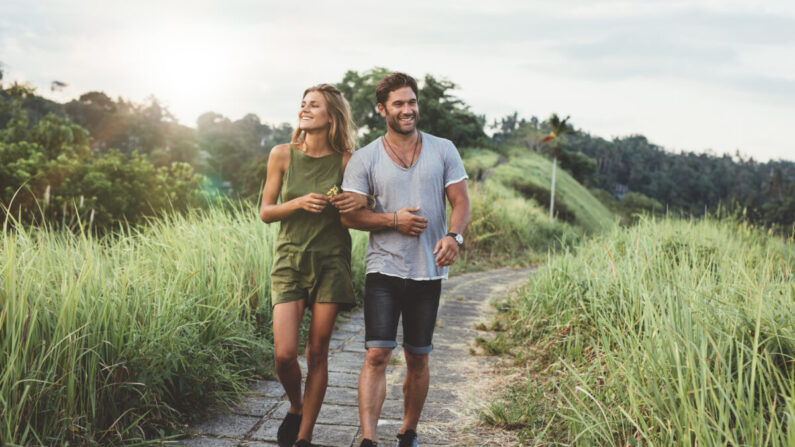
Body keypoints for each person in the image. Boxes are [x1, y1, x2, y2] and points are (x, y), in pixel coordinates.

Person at [340, 72, 471, 447]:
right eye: (398, 103)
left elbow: (460, 202)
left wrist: (453, 236)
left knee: (418, 357)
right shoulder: (365, 159)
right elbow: (349, 216)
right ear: (382, 109)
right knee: (377, 353)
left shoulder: (443, 149)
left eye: (411, 101)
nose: (407, 109)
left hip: (428, 271)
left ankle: (408, 432)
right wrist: (393, 220)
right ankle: (367, 439)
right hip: (383, 268)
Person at [259, 84, 368, 447]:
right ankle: (295, 405)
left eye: (314, 105)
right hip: (289, 261)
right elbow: (266, 212)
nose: (304, 110)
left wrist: (351, 206)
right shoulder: (282, 155)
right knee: (284, 354)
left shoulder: (348, 161)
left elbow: (359, 210)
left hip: (331, 262)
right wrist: (299, 203)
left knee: (317, 352)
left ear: (331, 116)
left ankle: (304, 437)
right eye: (303, 104)